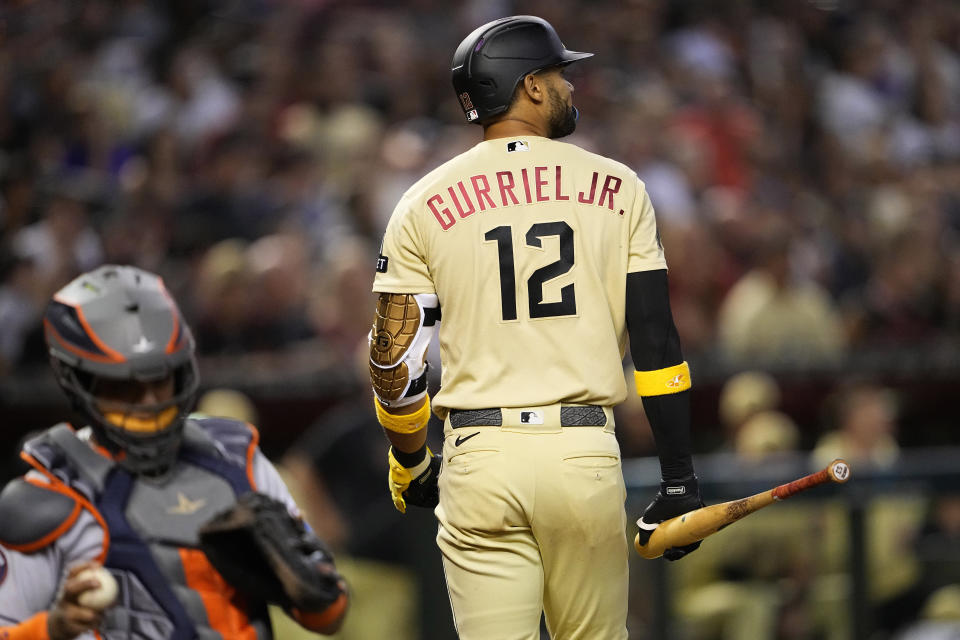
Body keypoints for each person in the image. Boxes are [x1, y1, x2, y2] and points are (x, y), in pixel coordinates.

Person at [367, 15, 703, 639]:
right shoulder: (619, 186)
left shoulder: (422, 199)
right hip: (582, 454)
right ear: (532, 88)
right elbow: (657, 346)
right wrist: (679, 478)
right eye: (559, 73)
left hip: (480, 458)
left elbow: (394, 362)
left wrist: (411, 458)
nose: (569, 85)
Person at [0, 264, 348, 639]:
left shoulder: (236, 459)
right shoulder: (45, 498)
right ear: (78, 380)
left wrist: (309, 587)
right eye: (125, 387)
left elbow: (328, 616)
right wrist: (52, 628)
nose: (149, 403)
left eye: (160, 379)